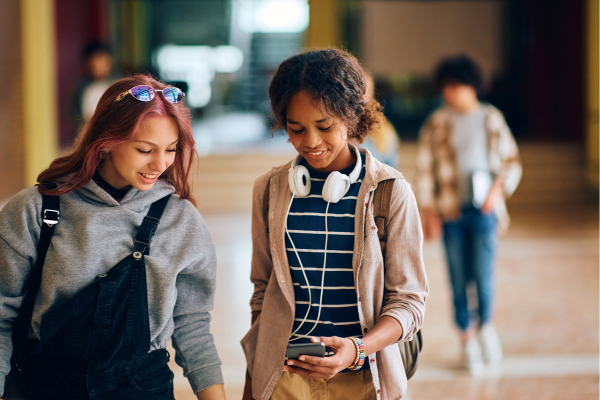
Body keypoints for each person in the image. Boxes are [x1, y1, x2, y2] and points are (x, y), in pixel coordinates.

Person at [0, 75, 226, 399]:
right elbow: (1, 318)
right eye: (145, 149)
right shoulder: (35, 210)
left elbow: (192, 325)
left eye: (171, 150)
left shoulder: (180, 219)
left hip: (143, 387)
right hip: (48, 385)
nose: (159, 164)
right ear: (106, 141)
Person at [241, 48, 428, 400]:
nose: (310, 142)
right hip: (284, 378)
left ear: (352, 118)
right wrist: (256, 379)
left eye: (324, 127)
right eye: (296, 129)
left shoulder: (390, 192)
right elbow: (262, 294)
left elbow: (409, 303)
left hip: (362, 379)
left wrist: (357, 349)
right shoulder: (269, 190)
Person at [415, 55, 522, 375]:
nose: (448, 92)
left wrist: (495, 192)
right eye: (444, 86)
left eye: (454, 85)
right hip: (450, 213)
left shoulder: (492, 119)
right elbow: (424, 170)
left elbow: (511, 162)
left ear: (471, 85)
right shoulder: (436, 122)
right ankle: (466, 341)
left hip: (485, 212)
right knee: (458, 280)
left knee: (484, 278)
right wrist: (429, 211)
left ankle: (485, 329)